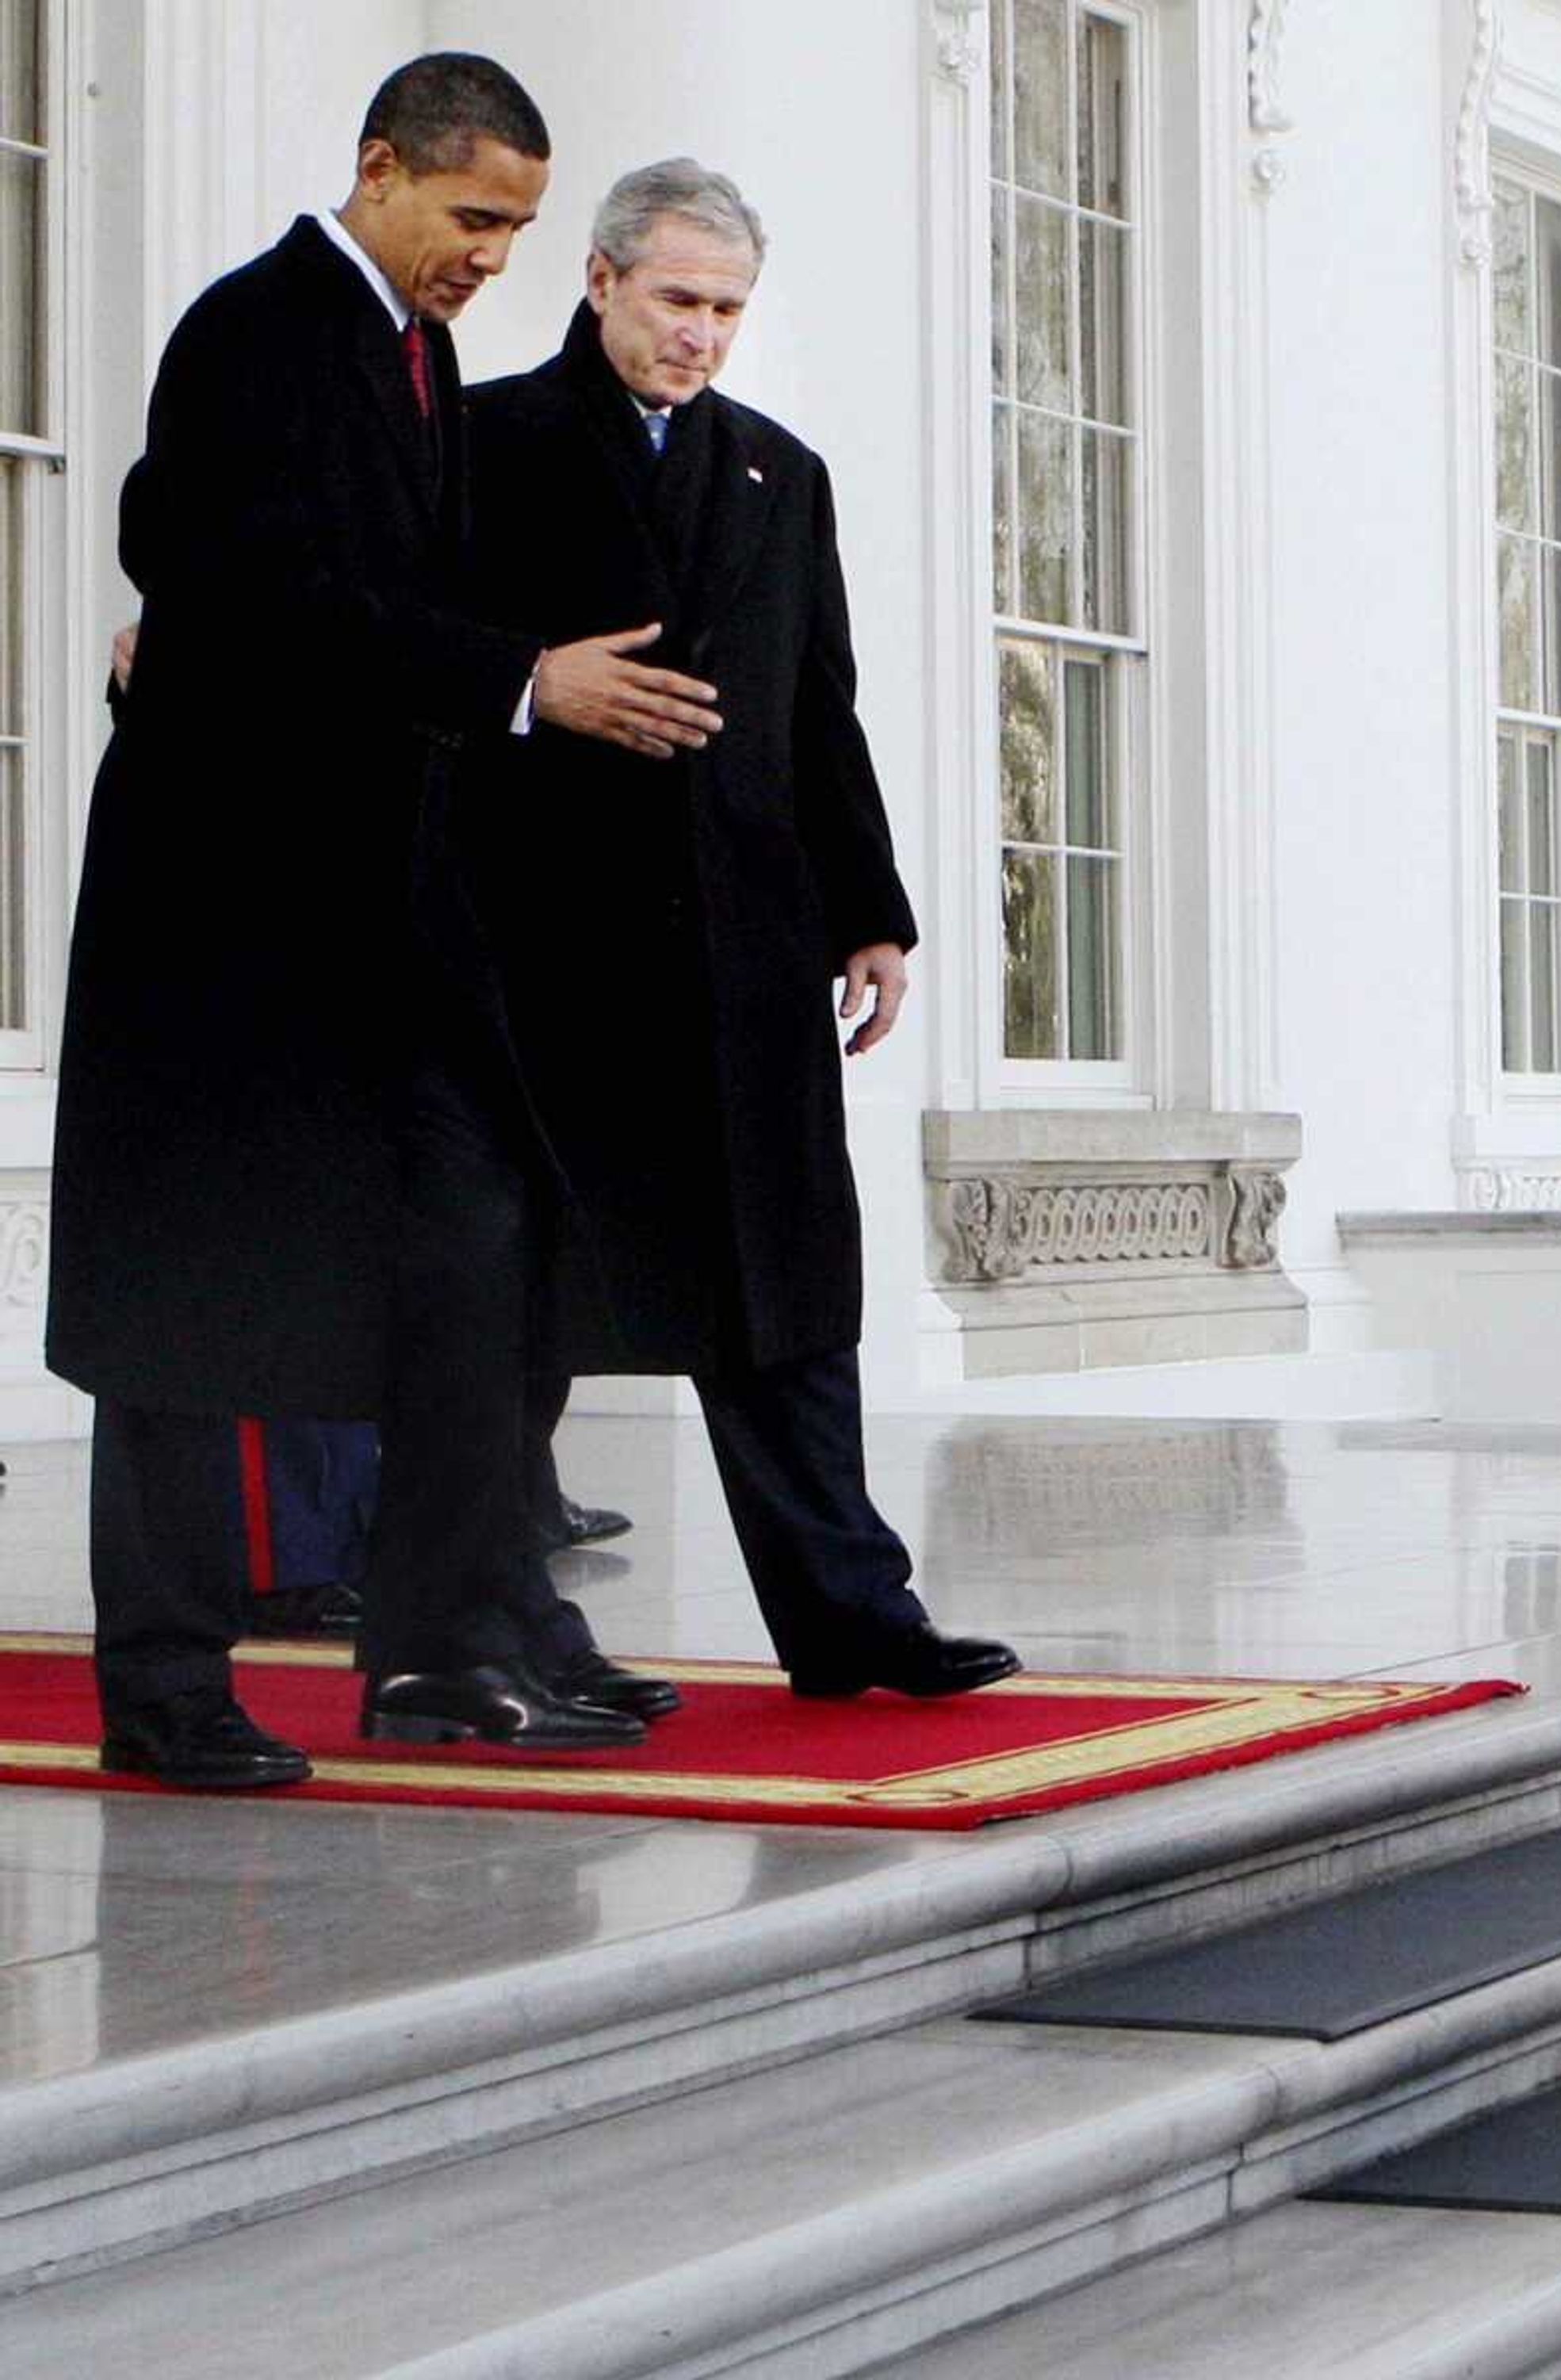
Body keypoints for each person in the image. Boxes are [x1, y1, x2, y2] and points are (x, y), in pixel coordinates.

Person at [50, 57, 730, 1788]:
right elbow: (257, 584)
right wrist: (518, 681)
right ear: (379, 168)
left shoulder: (418, 360)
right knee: (183, 1296)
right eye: (473, 215)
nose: (490, 256)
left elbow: (342, 580)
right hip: (222, 911)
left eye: (516, 226)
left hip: (381, 909)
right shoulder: (261, 327)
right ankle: (168, 1681)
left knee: (477, 1245)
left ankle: (444, 1640)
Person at [462, 160, 1016, 1701]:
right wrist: (532, 674)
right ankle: (499, 1620)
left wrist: (870, 915)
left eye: (727, 310)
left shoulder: (783, 473)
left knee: (785, 1294)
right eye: (678, 301)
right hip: (552, 956)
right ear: (600, 280)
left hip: (747, 956)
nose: (703, 334)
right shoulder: (486, 441)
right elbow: (411, 650)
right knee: (523, 1309)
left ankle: (854, 1618)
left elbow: (812, 710)